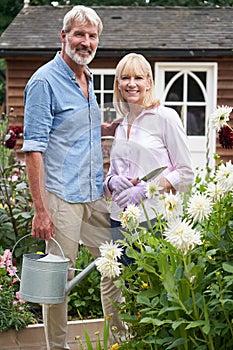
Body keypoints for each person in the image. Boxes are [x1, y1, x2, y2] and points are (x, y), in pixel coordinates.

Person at [22, 6, 123, 349]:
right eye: (79, 34)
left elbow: (75, 129)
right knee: (57, 281)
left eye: (92, 36)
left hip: (93, 194)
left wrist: (106, 128)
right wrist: (40, 210)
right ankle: (58, 347)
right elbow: (33, 149)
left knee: (114, 260)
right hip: (61, 196)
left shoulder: (88, 76)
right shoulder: (44, 82)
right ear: (63, 36)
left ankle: (119, 338)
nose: (86, 42)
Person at [104, 53, 194, 244]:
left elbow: (186, 173)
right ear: (118, 84)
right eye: (125, 78)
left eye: (138, 78)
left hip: (155, 220)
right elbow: (113, 172)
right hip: (120, 221)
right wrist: (111, 182)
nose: (131, 83)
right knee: (123, 274)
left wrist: (146, 190)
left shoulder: (166, 118)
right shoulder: (120, 126)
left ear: (149, 82)